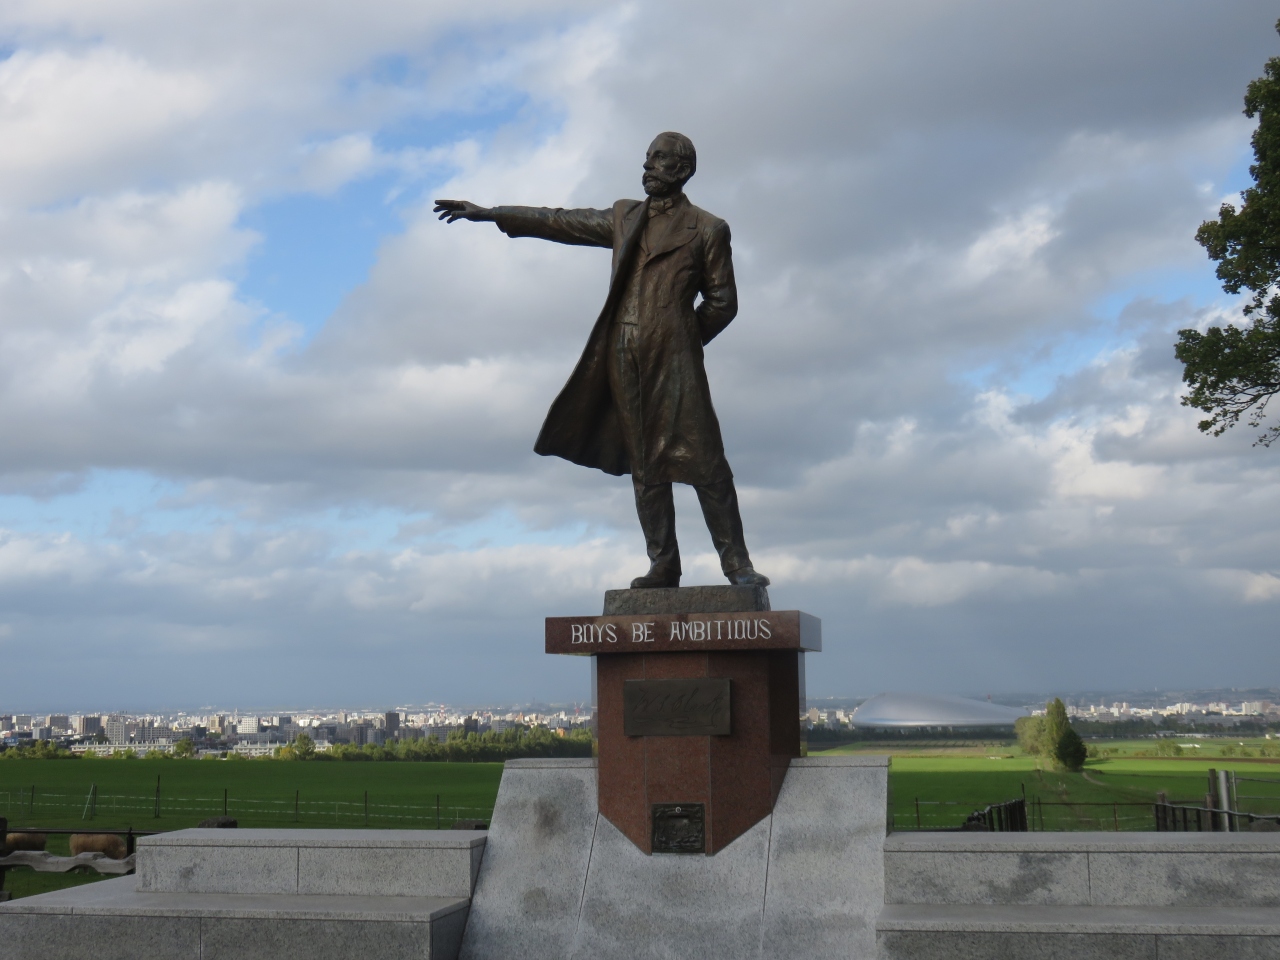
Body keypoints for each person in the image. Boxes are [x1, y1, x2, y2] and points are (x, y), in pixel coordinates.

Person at [435, 132, 768, 589]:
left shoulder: (709, 228)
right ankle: (663, 564)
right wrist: (493, 213)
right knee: (644, 464)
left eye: (658, 158)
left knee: (706, 460)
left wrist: (682, 339)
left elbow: (722, 302)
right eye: (647, 157)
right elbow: (561, 221)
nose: (647, 166)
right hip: (622, 354)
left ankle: (737, 565)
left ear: (683, 169)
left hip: (675, 359)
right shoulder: (624, 216)